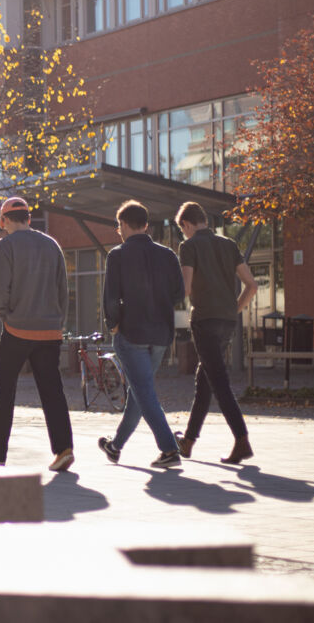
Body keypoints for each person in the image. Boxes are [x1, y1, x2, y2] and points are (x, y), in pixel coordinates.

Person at [0, 196, 75, 471]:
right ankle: (64, 449)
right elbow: (62, 291)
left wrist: (6, 316)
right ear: (29, 218)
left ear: (4, 220)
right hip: (49, 331)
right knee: (53, 391)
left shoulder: (4, 246)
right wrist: (57, 322)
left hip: (17, 329)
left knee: (5, 392)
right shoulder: (51, 245)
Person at [97, 200, 186, 469]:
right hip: (160, 334)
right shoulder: (168, 254)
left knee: (144, 391)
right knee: (140, 391)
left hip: (131, 333)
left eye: (118, 225)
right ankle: (115, 447)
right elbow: (180, 294)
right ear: (146, 225)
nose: (118, 231)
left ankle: (169, 449)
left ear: (124, 224)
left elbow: (111, 298)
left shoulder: (118, 255)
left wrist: (113, 324)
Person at [175, 201, 258, 464]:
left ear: (187, 224)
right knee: (206, 379)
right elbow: (252, 285)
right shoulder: (228, 244)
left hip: (204, 321)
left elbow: (186, 288)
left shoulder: (189, 246)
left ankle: (242, 440)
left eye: (183, 230)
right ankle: (187, 442)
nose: (184, 235)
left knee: (218, 381)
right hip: (227, 321)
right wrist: (234, 309)